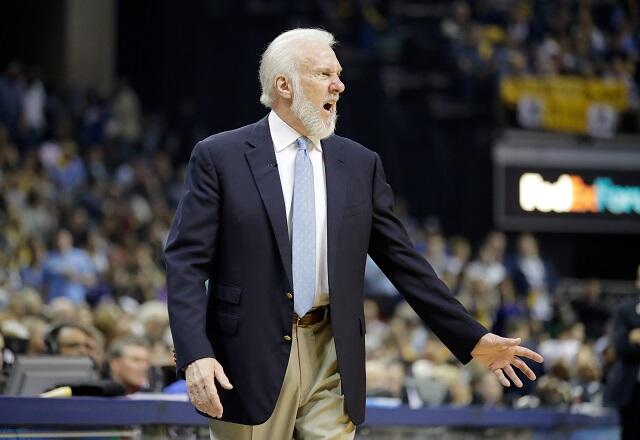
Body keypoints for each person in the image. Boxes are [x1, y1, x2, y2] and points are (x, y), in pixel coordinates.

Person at [165, 28, 543, 439]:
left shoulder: (360, 164)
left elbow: (404, 263)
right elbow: (185, 260)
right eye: (325, 73)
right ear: (284, 84)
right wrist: (195, 353)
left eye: (339, 74)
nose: (339, 85)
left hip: (333, 350)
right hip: (248, 353)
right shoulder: (220, 156)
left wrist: (472, 338)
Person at [604, 264, 640, 440]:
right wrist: (630, 339)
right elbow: (621, 347)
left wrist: (636, 336)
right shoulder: (624, 310)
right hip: (631, 389)